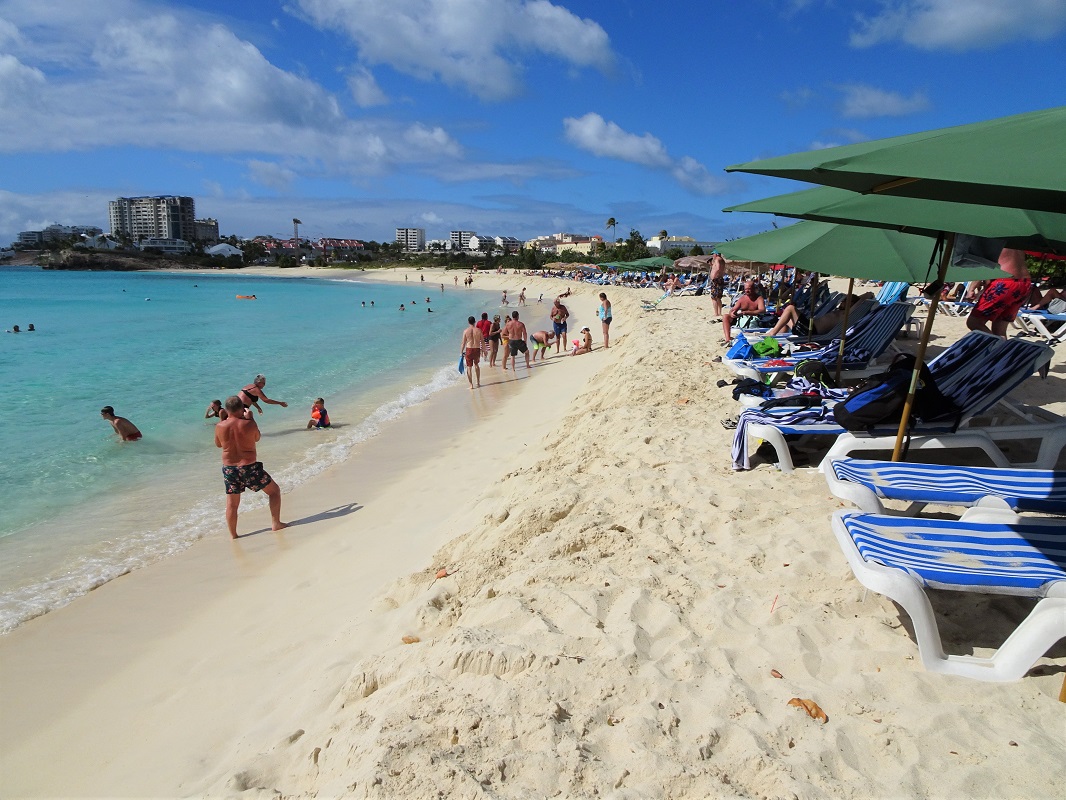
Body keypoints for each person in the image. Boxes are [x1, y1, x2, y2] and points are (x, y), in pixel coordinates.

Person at [216, 396, 285, 539]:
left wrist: (222, 421)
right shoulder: (248, 424)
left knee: (232, 504)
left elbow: (218, 444)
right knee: (274, 491)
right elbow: (257, 437)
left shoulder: (220, 426)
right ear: (242, 408)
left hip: (230, 469)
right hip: (249, 467)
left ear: (227, 410)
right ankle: (276, 523)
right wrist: (251, 419)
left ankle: (233, 535)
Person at [966, 248, 1033, 338]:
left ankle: (996, 344)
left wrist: (971, 289)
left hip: (1005, 282)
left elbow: (984, 267)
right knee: (999, 329)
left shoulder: (994, 238)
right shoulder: (1016, 239)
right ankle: (1001, 349)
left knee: (974, 322)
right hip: (1025, 283)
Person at [722, 280, 766, 345]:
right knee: (725, 316)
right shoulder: (742, 298)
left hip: (753, 319)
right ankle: (728, 339)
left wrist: (748, 312)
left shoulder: (759, 298)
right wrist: (732, 313)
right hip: (741, 318)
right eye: (745, 289)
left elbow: (762, 310)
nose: (747, 291)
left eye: (749, 289)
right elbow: (733, 309)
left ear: (754, 289)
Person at [461, 315, 483, 389]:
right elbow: (482, 341)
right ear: (475, 322)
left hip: (469, 349)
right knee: (476, 365)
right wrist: (484, 350)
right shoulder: (478, 330)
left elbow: (463, 343)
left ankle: (471, 385)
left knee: (469, 367)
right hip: (477, 349)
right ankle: (478, 382)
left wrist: (461, 352)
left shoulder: (465, 331)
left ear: (468, 322)